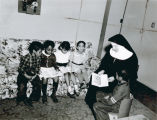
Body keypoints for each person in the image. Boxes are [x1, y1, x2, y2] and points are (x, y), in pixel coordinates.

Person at [85, 34, 138, 118]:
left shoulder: (131, 57)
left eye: (115, 46)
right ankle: (91, 100)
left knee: (109, 90)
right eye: (112, 45)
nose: (112, 47)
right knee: (94, 77)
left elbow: (129, 74)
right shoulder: (111, 51)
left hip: (120, 79)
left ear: (121, 45)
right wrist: (102, 70)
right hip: (109, 73)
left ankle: (101, 104)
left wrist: (114, 78)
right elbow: (105, 64)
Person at [16, 41, 43, 107]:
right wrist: (26, 76)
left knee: (38, 84)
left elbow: (37, 68)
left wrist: (35, 75)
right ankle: (22, 97)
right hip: (24, 74)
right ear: (34, 51)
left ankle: (32, 99)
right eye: (39, 52)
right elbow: (21, 69)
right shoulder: (26, 58)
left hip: (33, 73)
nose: (41, 53)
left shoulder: (39, 58)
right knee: (22, 86)